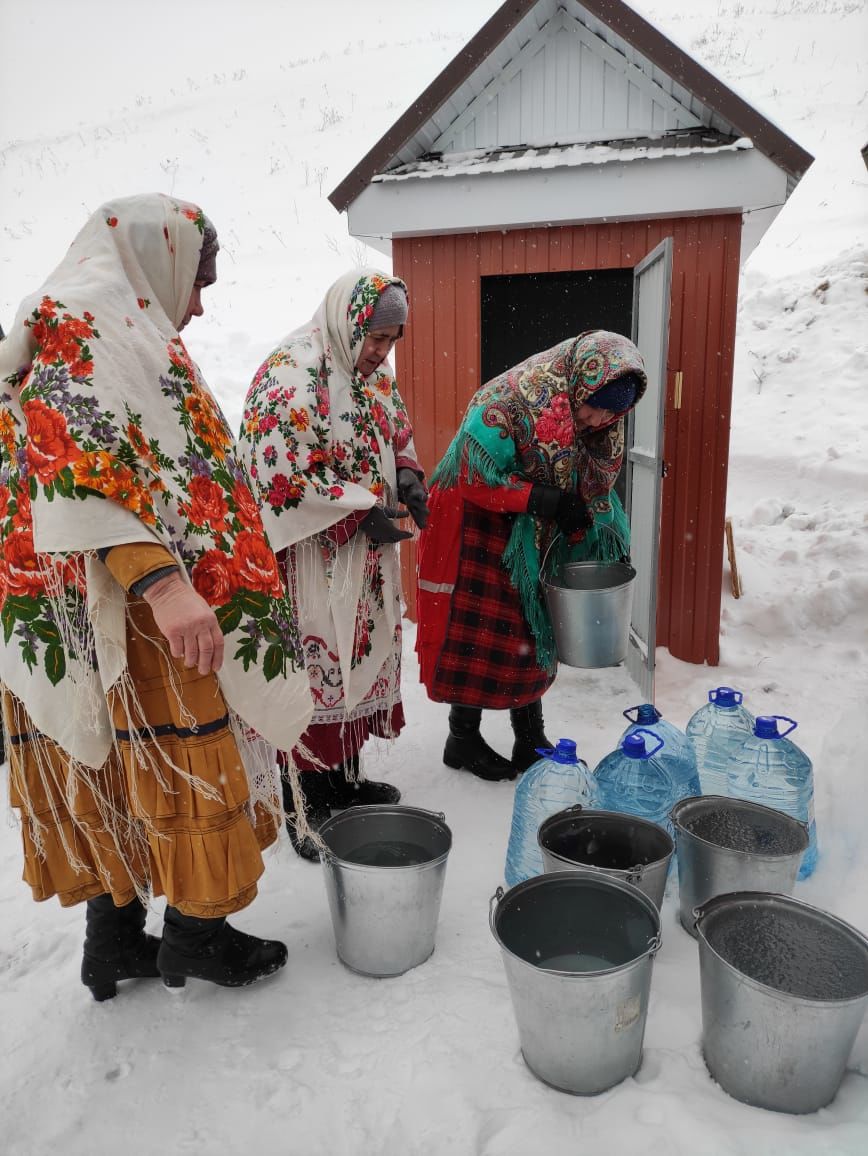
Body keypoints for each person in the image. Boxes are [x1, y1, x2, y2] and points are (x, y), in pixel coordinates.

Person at [0, 194, 313, 998]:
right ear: (158, 254)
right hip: (129, 606)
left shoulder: (117, 323)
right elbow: (80, 466)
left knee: (117, 773)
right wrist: (167, 582)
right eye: (198, 278)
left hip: (96, 605)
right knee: (182, 759)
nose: (201, 301)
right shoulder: (85, 321)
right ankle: (195, 936)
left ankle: (113, 947)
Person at [239, 270, 428, 858]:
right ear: (349, 322)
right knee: (318, 670)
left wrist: (406, 475)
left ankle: (344, 779)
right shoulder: (293, 374)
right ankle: (303, 802)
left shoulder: (372, 376)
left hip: (363, 559)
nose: (381, 352)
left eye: (392, 341)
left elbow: (396, 429)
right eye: (375, 338)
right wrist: (355, 512)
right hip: (312, 559)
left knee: (357, 660)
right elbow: (277, 473)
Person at [416, 331, 646, 780]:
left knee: (532, 623)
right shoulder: (510, 401)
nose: (599, 419)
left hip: (526, 516)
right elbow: (471, 475)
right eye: (594, 405)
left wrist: (580, 514)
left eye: (612, 412)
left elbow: (590, 478)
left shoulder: (601, 419)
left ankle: (529, 737)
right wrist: (546, 500)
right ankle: (461, 739)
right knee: (482, 630)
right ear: (579, 384)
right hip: (474, 514)